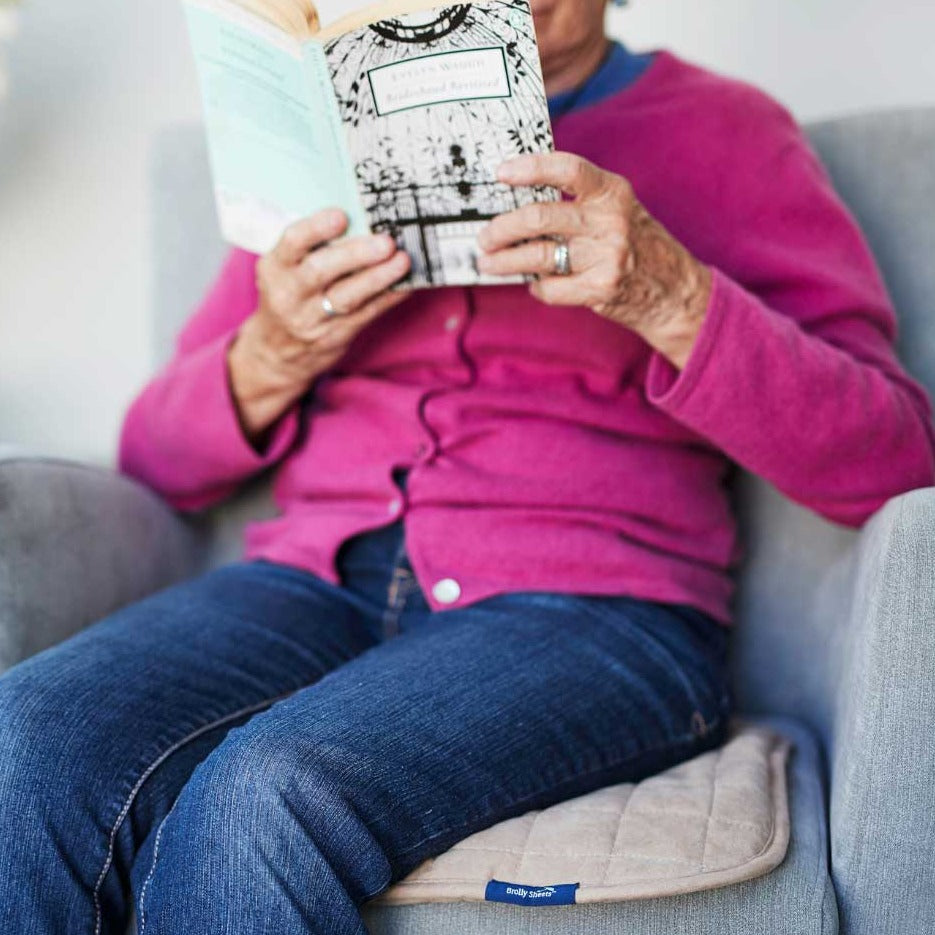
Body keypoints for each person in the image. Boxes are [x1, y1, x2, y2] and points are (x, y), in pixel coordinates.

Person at [2, 1, 934, 932]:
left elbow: (895, 454)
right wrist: (274, 349)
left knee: (268, 793)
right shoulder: (326, 141)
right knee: (25, 738)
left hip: (596, 611)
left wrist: (670, 295)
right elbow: (156, 460)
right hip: (313, 583)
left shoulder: (726, 129)